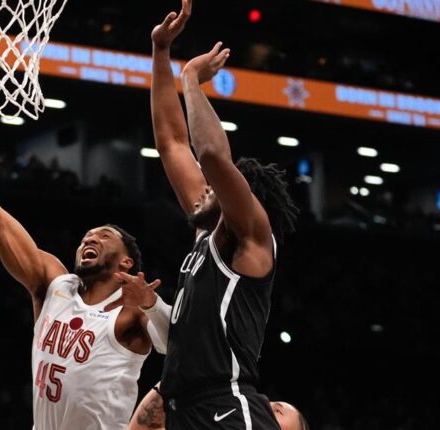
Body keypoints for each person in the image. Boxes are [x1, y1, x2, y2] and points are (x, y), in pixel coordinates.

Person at [0, 94, 163, 430]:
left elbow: (187, 357)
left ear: (126, 263)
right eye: (86, 236)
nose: (90, 239)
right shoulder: (54, 283)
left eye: (104, 236)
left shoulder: (134, 310)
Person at [106, 1, 306, 429]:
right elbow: (174, 144)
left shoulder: (251, 239)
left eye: (212, 187)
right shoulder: (208, 235)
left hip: (226, 405)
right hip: (184, 407)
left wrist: (191, 78)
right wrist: (160, 53)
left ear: (239, 196)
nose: (200, 190)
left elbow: (212, 153)